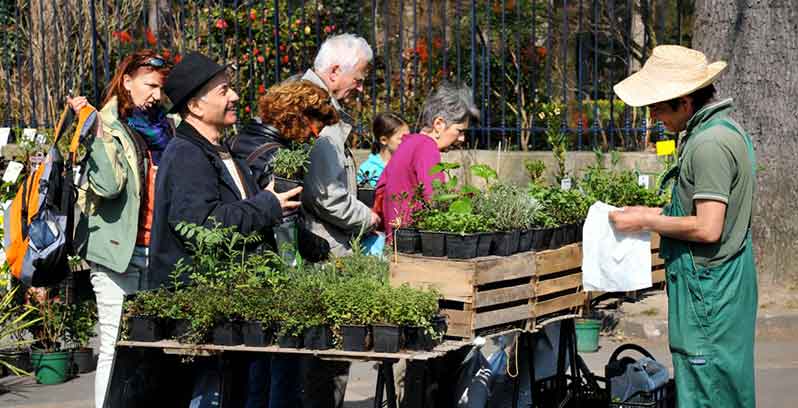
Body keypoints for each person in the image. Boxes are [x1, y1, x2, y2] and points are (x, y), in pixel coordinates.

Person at [609, 45, 757, 408]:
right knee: (723, 385)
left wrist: (647, 220)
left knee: (708, 387)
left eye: (659, 106)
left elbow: (708, 227)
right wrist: (653, 210)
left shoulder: (709, 144)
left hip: (709, 293)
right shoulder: (719, 131)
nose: (653, 115)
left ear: (686, 102)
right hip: (718, 287)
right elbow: (699, 209)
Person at [66, 50, 173, 408]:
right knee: (114, 344)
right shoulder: (107, 125)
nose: (156, 94)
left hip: (157, 251)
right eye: (150, 85)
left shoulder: (167, 127)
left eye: (161, 87)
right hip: (117, 252)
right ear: (126, 81)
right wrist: (95, 135)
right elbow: (110, 186)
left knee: (151, 349)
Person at [229, 79, 340, 408]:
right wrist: (314, 253)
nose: (315, 134)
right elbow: (285, 226)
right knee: (283, 366)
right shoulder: (280, 159)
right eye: (314, 124)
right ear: (297, 116)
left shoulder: (239, 140)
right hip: (274, 275)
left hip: (242, 268)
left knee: (251, 369)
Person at [149, 51, 301, 286]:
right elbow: (205, 225)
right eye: (223, 91)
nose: (236, 96)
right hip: (200, 302)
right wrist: (268, 204)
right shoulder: (185, 154)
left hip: (233, 294)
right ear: (195, 106)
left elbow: (243, 213)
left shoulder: (223, 151)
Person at [298, 33, 380, 262]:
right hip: (322, 247)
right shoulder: (319, 112)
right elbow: (325, 194)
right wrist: (368, 218)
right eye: (358, 79)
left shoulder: (306, 99)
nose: (361, 88)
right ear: (334, 72)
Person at [375, 81, 479, 239]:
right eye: (459, 131)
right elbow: (435, 199)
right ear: (439, 124)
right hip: (414, 243)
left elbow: (381, 187)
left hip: (396, 239)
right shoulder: (427, 147)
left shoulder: (408, 143)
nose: (462, 138)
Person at [231, 80, 339, 189]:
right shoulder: (282, 161)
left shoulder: (235, 140)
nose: (315, 137)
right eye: (317, 130)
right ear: (301, 119)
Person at [357, 112, 409, 187]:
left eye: (409, 137)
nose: (408, 142)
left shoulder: (410, 165)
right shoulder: (367, 170)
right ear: (384, 140)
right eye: (402, 138)